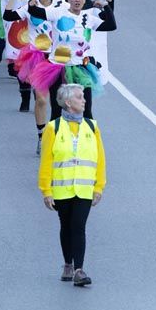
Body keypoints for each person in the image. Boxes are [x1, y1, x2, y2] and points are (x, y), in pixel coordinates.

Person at [38, 84, 105, 288]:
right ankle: (68, 263)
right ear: (68, 103)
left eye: (83, 97)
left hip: (84, 189)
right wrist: (46, 190)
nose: (84, 100)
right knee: (66, 227)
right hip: (62, 188)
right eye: (79, 97)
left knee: (78, 227)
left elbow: (100, 159)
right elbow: (46, 160)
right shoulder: (53, 128)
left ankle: (78, 270)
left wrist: (99, 186)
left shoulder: (92, 127)